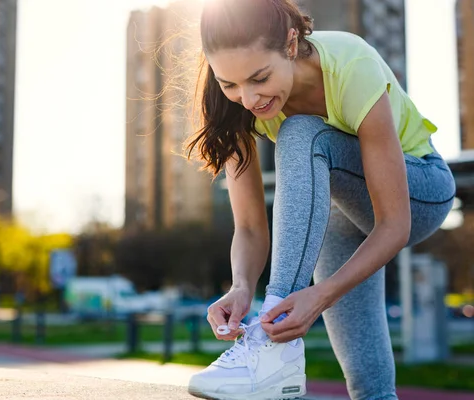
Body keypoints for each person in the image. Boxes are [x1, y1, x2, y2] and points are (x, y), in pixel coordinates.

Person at [183, 0, 456, 399]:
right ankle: (279, 351)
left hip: (421, 193)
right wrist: (241, 286)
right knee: (369, 387)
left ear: (291, 44)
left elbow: (394, 225)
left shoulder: (351, 63)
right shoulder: (234, 103)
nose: (249, 98)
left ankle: (276, 353)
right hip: (342, 213)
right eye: (230, 84)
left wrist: (320, 295)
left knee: (300, 132)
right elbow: (250, 227)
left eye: (260, 78)